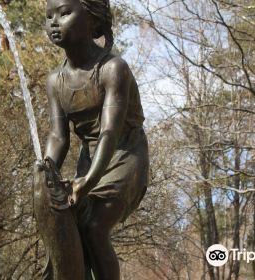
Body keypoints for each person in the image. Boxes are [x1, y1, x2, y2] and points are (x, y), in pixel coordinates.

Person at [43, 0, 149, 278]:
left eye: (65, 13)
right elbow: (58, 136)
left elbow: (109, 131)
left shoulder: (113, 68)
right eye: (49, 16)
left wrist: (87, 182)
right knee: (71, 228)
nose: (54, 22)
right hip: (90, 155)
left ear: (92, 20)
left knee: (94, 226)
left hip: (125, 153)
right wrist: (45, 169)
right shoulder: (55, 80)